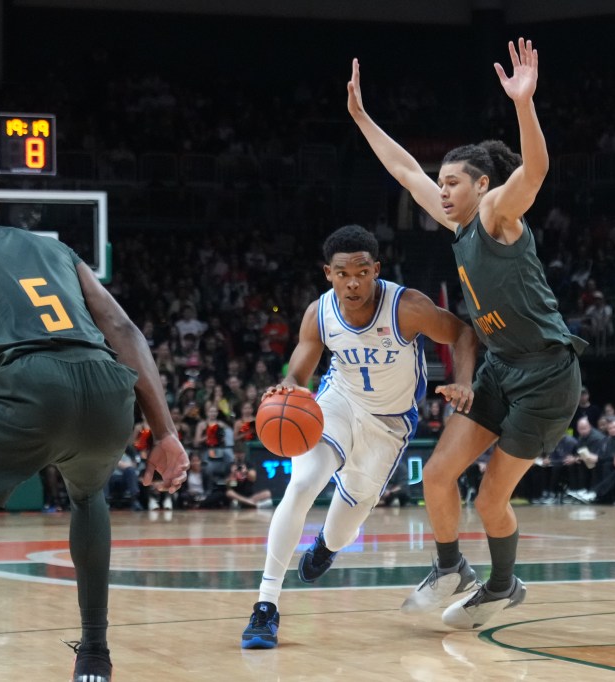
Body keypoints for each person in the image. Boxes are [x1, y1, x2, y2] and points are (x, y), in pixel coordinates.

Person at [0, 150, 188, 682]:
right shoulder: (56, 251)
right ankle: (94, 655)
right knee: (87, 496)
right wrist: (165, 433)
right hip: (107, 391)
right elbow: (123, 330)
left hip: (31, 391)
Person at [347, 38, 586, 629]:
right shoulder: (458, 220)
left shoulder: (498, 216)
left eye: (453, 182)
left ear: (482, 186)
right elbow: (405, 171)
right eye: (443, 183)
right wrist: (361, 117)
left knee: (489, 500)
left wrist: (524, 105)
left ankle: (504, 586)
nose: (443, 190)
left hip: (548, 375)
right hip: (502, 367)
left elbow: (536, 170)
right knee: (436, 474)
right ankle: (452, 567)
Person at [242, 224, 477, 649]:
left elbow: (462, 333)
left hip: (389, 424)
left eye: (362, 272)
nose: (353, 282)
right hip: (338, 403)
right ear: (328, 273)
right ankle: (266, 605)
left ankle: (327, 546)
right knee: (301, 485)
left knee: (346, 525)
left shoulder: (407, 306)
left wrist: (463, 382)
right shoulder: (320, 312)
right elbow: (299, 368)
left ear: (376, 270)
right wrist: (291, 385)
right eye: (343, 273)